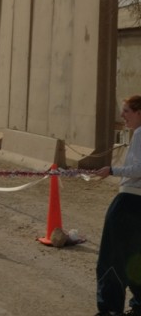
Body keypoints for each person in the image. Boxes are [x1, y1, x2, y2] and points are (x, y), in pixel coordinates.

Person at [93, 95, 141, 316]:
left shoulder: (140, 134)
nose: (122, 115)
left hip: (129, 201)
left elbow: (138, 169)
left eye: (127, 111)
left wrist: (112, 170)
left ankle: (110, 308)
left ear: (139, 112)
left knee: (112, 256)